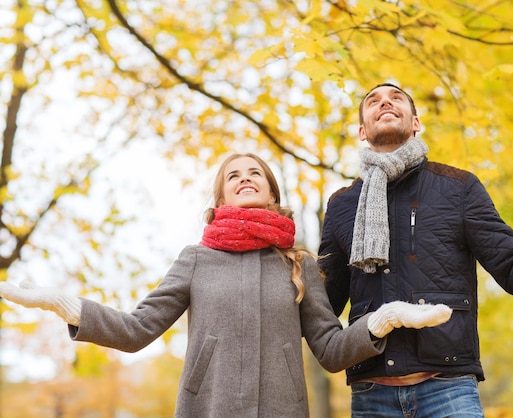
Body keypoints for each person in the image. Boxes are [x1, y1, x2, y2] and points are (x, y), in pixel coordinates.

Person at [0, 152, 453, 418]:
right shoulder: (195, 259)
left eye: (255, 173)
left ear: (271, 194)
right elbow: (138, 330)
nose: (245, 179)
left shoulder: (298, 262)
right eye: (233, 175)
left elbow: (331, 350)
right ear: (220, 198)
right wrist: (65, 305)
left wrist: (384, 319)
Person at [318, 83, 513, 417]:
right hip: (371, 394)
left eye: (396, 99)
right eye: (373, 101)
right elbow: (322, 307)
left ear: (416, 122)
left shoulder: (458, 188)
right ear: (363, 130)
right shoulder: (342, 206)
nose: (385, 103)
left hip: (448, 390)